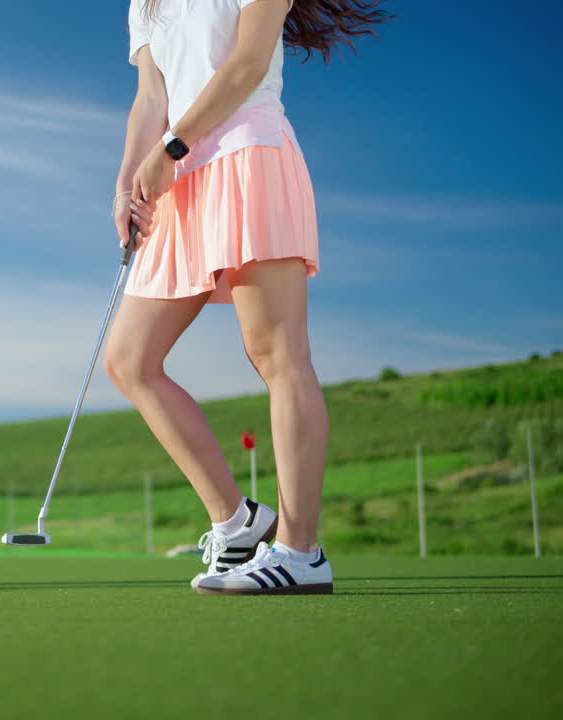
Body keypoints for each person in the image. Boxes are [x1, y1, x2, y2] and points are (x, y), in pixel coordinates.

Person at [107, 0, 389, 594]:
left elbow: (247, 64)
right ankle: (238, 523)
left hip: (246, 155)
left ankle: (300, 551)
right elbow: (150, 97)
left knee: (277, 353)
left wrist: (172, 148)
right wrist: (127, 179)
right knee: (129, 360)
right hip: (178, 181)